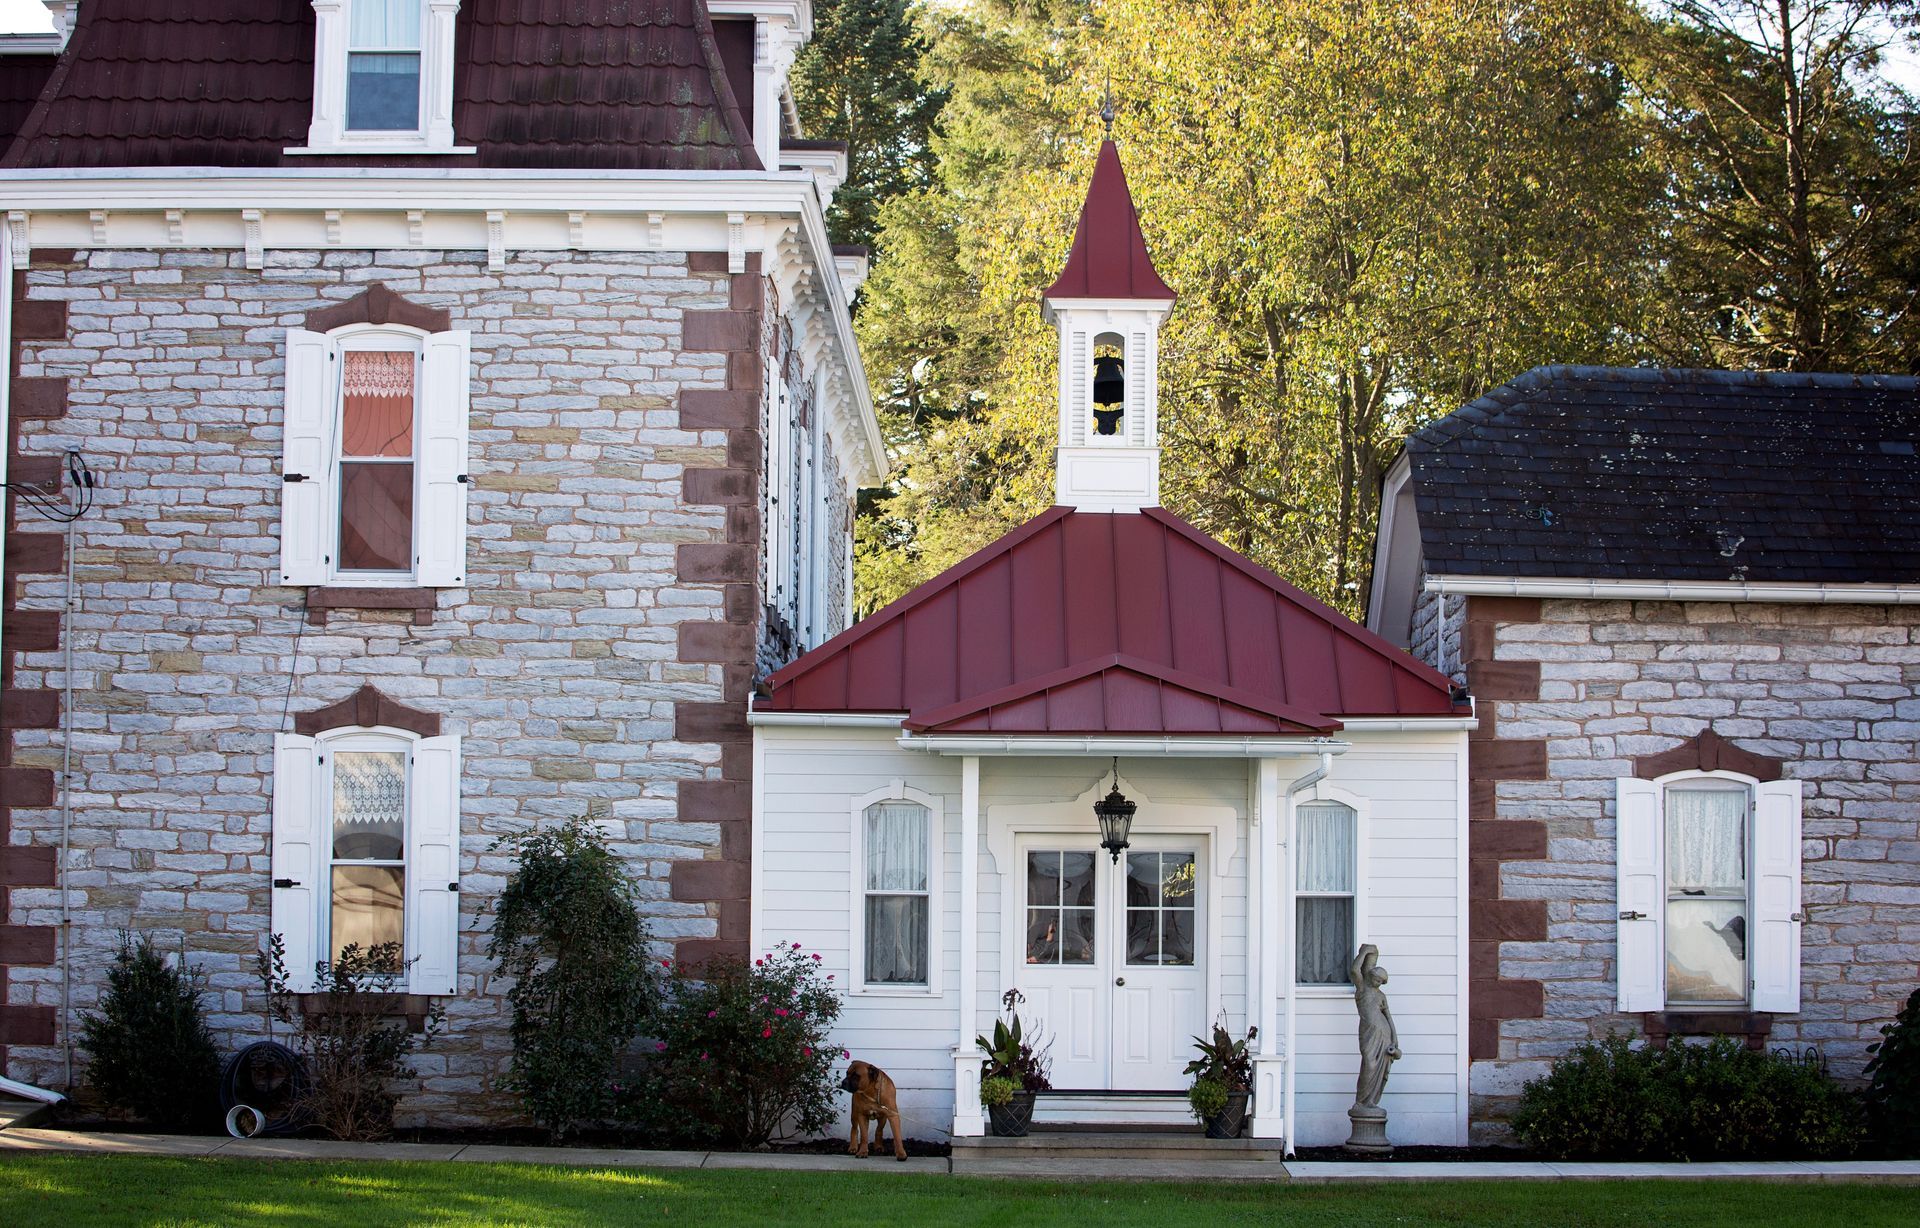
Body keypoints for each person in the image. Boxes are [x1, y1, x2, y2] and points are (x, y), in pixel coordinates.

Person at [1349, 944, 1401, 1110]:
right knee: (1369, 1064)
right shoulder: (1362, 989)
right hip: (1369, 1033)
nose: (1378, 983)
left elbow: (1389, 1018)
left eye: (1381, 982)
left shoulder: (1381, 995)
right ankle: (1360, 1102)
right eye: (1377, 979)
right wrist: (1365, 952)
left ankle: (1371, 1101)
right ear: (1370, 977)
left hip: (1384, 1034)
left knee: (1381, 1067)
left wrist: (1395, 1040)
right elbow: (1355, 970)